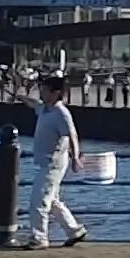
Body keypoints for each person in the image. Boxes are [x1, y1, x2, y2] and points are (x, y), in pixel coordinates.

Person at [27, 75, 88, 246]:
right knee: (52, 200)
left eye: (45, 90)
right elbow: (33, 104)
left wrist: (75, 157)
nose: (42, 92)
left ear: (56, 93)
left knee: (39, 200)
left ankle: (39, 237)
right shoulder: (45, 109)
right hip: (46, 162)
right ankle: (74, 230)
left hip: (53, 163)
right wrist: (19, 97)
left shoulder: (61, 113)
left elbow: (72, 135)